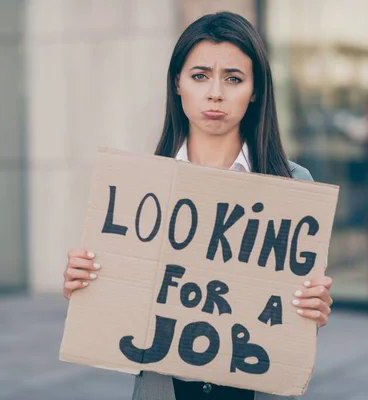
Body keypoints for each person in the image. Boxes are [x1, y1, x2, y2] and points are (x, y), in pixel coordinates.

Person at [63, 11, 333, 400]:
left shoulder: (294, 188)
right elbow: (121, 309)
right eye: (200, 75)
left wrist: (313, 310)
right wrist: (88, 286)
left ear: (256, 89)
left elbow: (285, 318)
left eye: (234, 79)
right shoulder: (140, 189)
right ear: (178, 83)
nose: (216, 93)